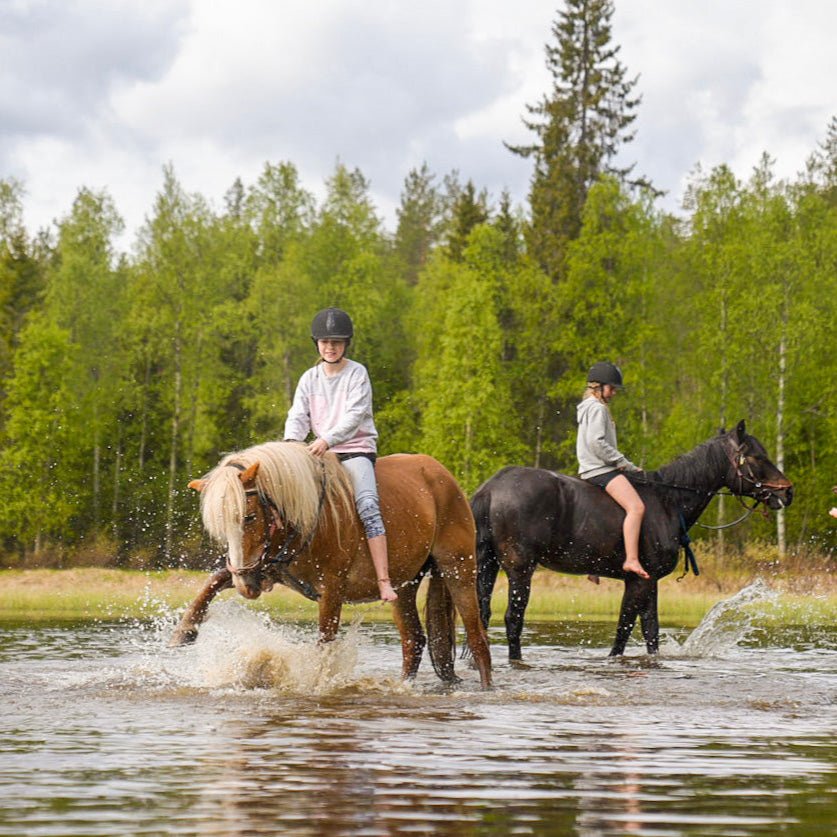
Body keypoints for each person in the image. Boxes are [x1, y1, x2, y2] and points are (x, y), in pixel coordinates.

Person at [284, 307, 398, 602]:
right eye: (325, 342)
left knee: (368, 506)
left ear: (345, 344)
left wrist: (327, 439)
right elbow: (298, 415)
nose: (330, 347)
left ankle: (384, 580)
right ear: (317, 344)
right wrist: (290, 445)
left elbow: (355, 415)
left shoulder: (357, 373)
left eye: (336, 342)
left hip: (354, 451)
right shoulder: (309, 378)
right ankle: (276, 570)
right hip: (319, 452)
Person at [576, 362, 650, 580]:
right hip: (600, 469)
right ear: (598, 386)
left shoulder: (587, 406)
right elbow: (597, 443)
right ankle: (631, 559)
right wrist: (623, 463)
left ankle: (595, 564)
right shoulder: (598, 409)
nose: (615, 392)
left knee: (611, 514)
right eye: (612, 387)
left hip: (589, 468)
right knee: (636, 508)